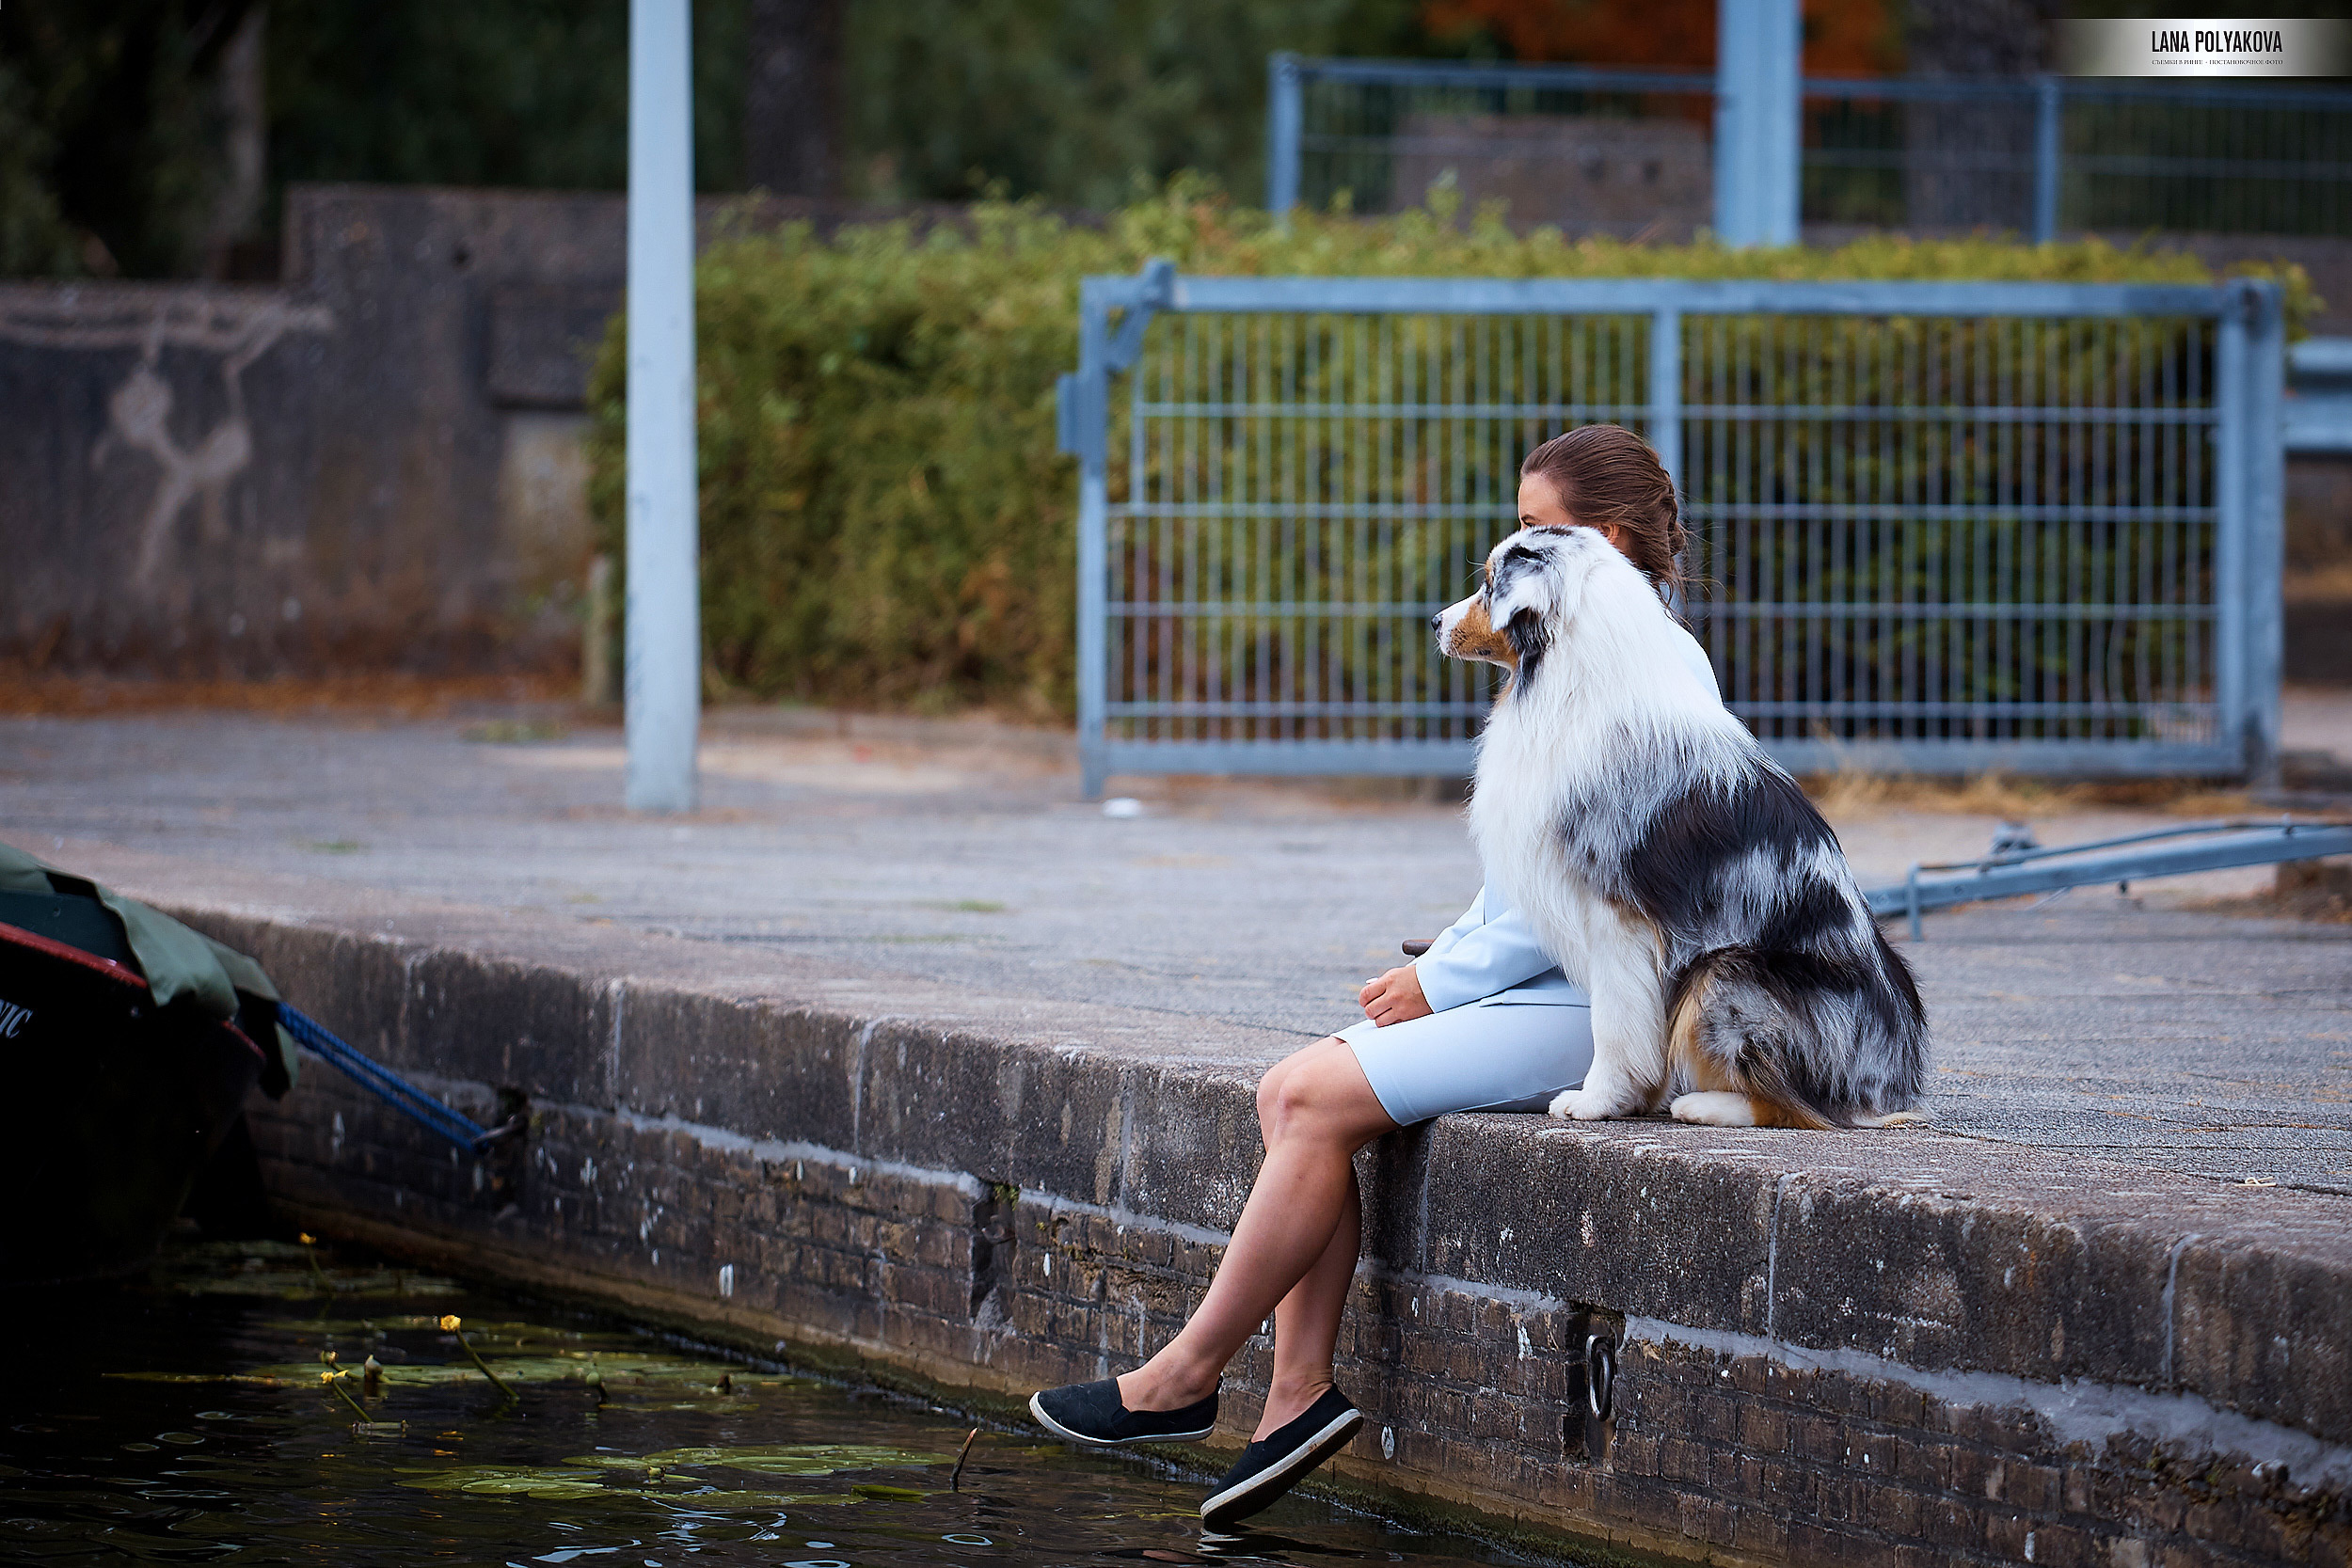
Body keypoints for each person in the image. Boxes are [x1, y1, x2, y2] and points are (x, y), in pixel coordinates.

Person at [1028, 424, 1716, 1530]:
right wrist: (1444, 952)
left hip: (1599, 1003)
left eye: (1546, 528)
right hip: (1544, 980)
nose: (1524, 546)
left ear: (1613, 537)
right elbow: (1533, 861)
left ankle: (1183, 1377)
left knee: (1303, 1093)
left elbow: (1609, 883)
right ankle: (1290, 1397)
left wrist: (1446, 981)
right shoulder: (1574, 646)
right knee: (1288, 1096)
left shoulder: (1650, 661)